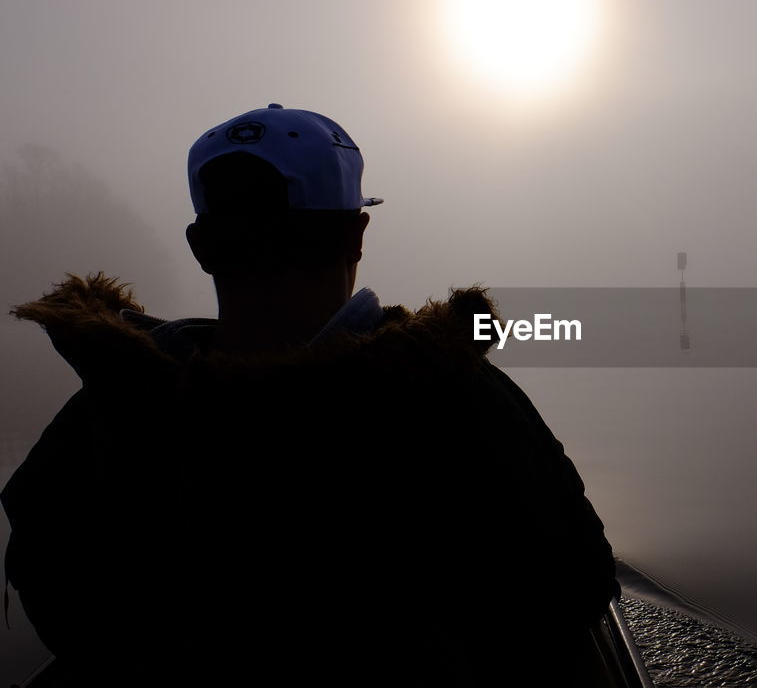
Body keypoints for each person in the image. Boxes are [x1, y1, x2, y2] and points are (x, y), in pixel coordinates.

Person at [2, 104, 619, 686]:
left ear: (201, 247)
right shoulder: (458, 399)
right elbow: (577, 584)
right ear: (357, 234)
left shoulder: (108, 404)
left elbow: (46, 586)